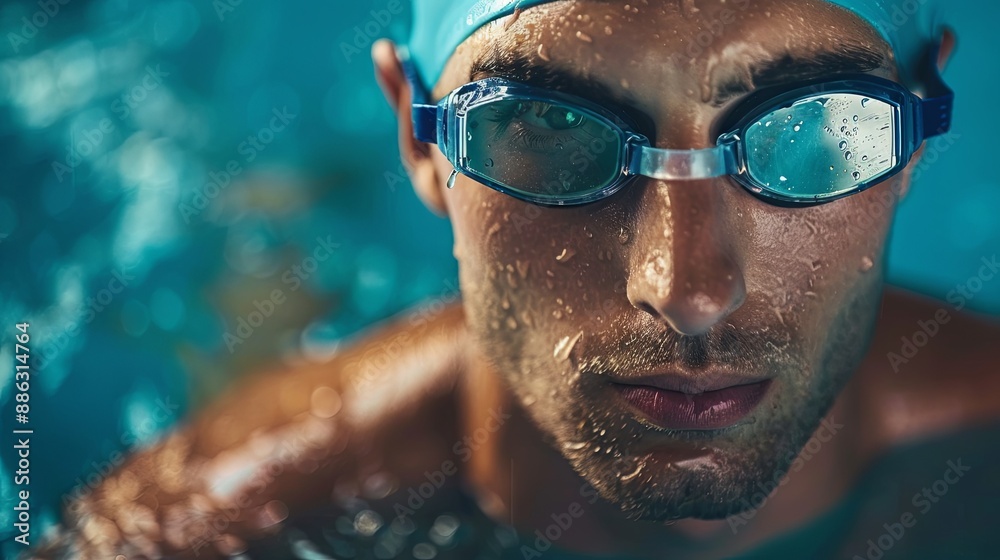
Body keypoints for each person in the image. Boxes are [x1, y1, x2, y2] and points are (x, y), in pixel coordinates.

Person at [30, 1, 1000, 558]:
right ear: (416, 130)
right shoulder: (212, 526)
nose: (687, 287)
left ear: (916, 130)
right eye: (547, 126)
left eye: (814, 124)